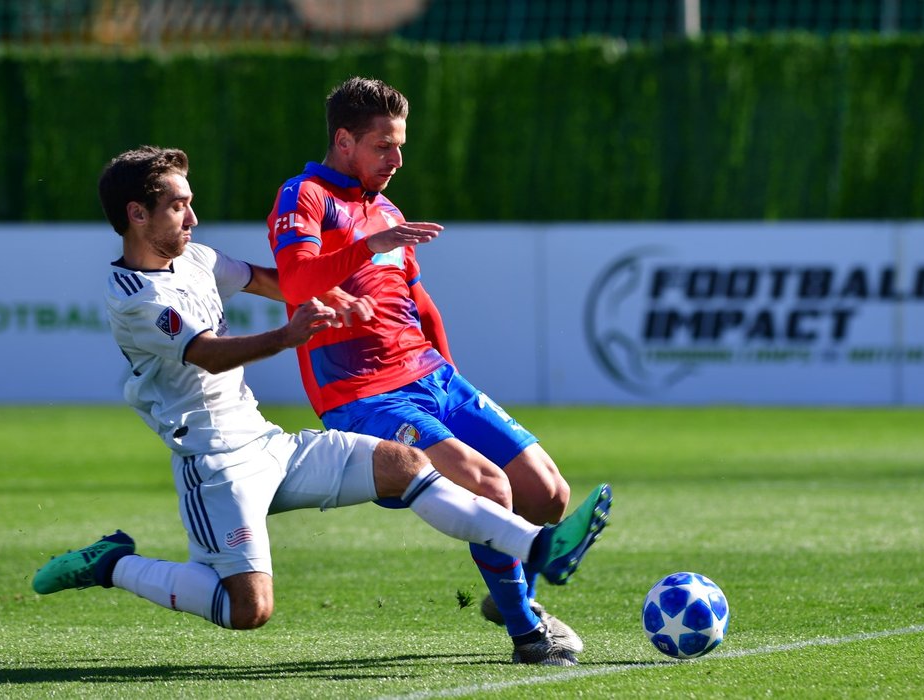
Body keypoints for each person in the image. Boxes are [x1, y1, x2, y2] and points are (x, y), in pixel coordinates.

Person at [31, 146, 612, 642]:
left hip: (266, 442)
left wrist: (335, 300)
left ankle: (539, 547)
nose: (193, 217)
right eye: (178, 205)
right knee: (247, 610)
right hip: (213, 464)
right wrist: (290, 335)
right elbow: (207, 352)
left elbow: (272, 280)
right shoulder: (134, 297)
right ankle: (113, 563)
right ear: (137, 214)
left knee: (404, 464)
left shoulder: (198, 259)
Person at [265, 78, 611, 665]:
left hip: (432, 379)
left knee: (548, 493)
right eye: (383, 147)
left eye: (400, 147)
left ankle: (508, 594)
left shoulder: (387, 210)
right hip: (363, 393)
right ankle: (530, 633)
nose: (396, 161)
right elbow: (296, 285)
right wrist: (371, 247)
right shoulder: (303, 196)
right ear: (344, 141)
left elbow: (420, 305)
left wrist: (451, 378)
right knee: (489, 487)